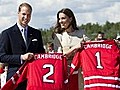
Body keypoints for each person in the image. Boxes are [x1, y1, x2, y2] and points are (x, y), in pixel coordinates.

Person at [0, 2, 45, 90]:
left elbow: (41, 53)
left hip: (33, 78)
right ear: (18, 14)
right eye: (24, 14)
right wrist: (21, 57)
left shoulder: (36, 33)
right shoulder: (7, 34)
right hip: (15, 78)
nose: (26, 18)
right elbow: (2, 56)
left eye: (29, 15)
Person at [52, 8, 90, 90]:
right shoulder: (58, 36)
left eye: (63, 18)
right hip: (66, 73)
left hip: (80, 73)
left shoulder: (82, 33)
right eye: (59, 19)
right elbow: (59, 57)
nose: (60, 21)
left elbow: (91, 49)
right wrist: (75, 48)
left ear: (70, 19)